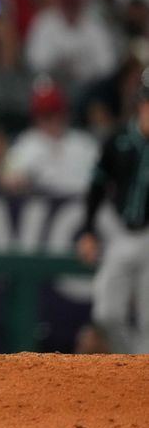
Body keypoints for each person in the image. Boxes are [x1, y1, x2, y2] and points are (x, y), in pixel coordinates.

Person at [77, 71, 149, 353]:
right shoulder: (118, 139)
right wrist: (88, 230)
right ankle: (131, 365)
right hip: (121, 233)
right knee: (106, 314)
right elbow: (96, 187)